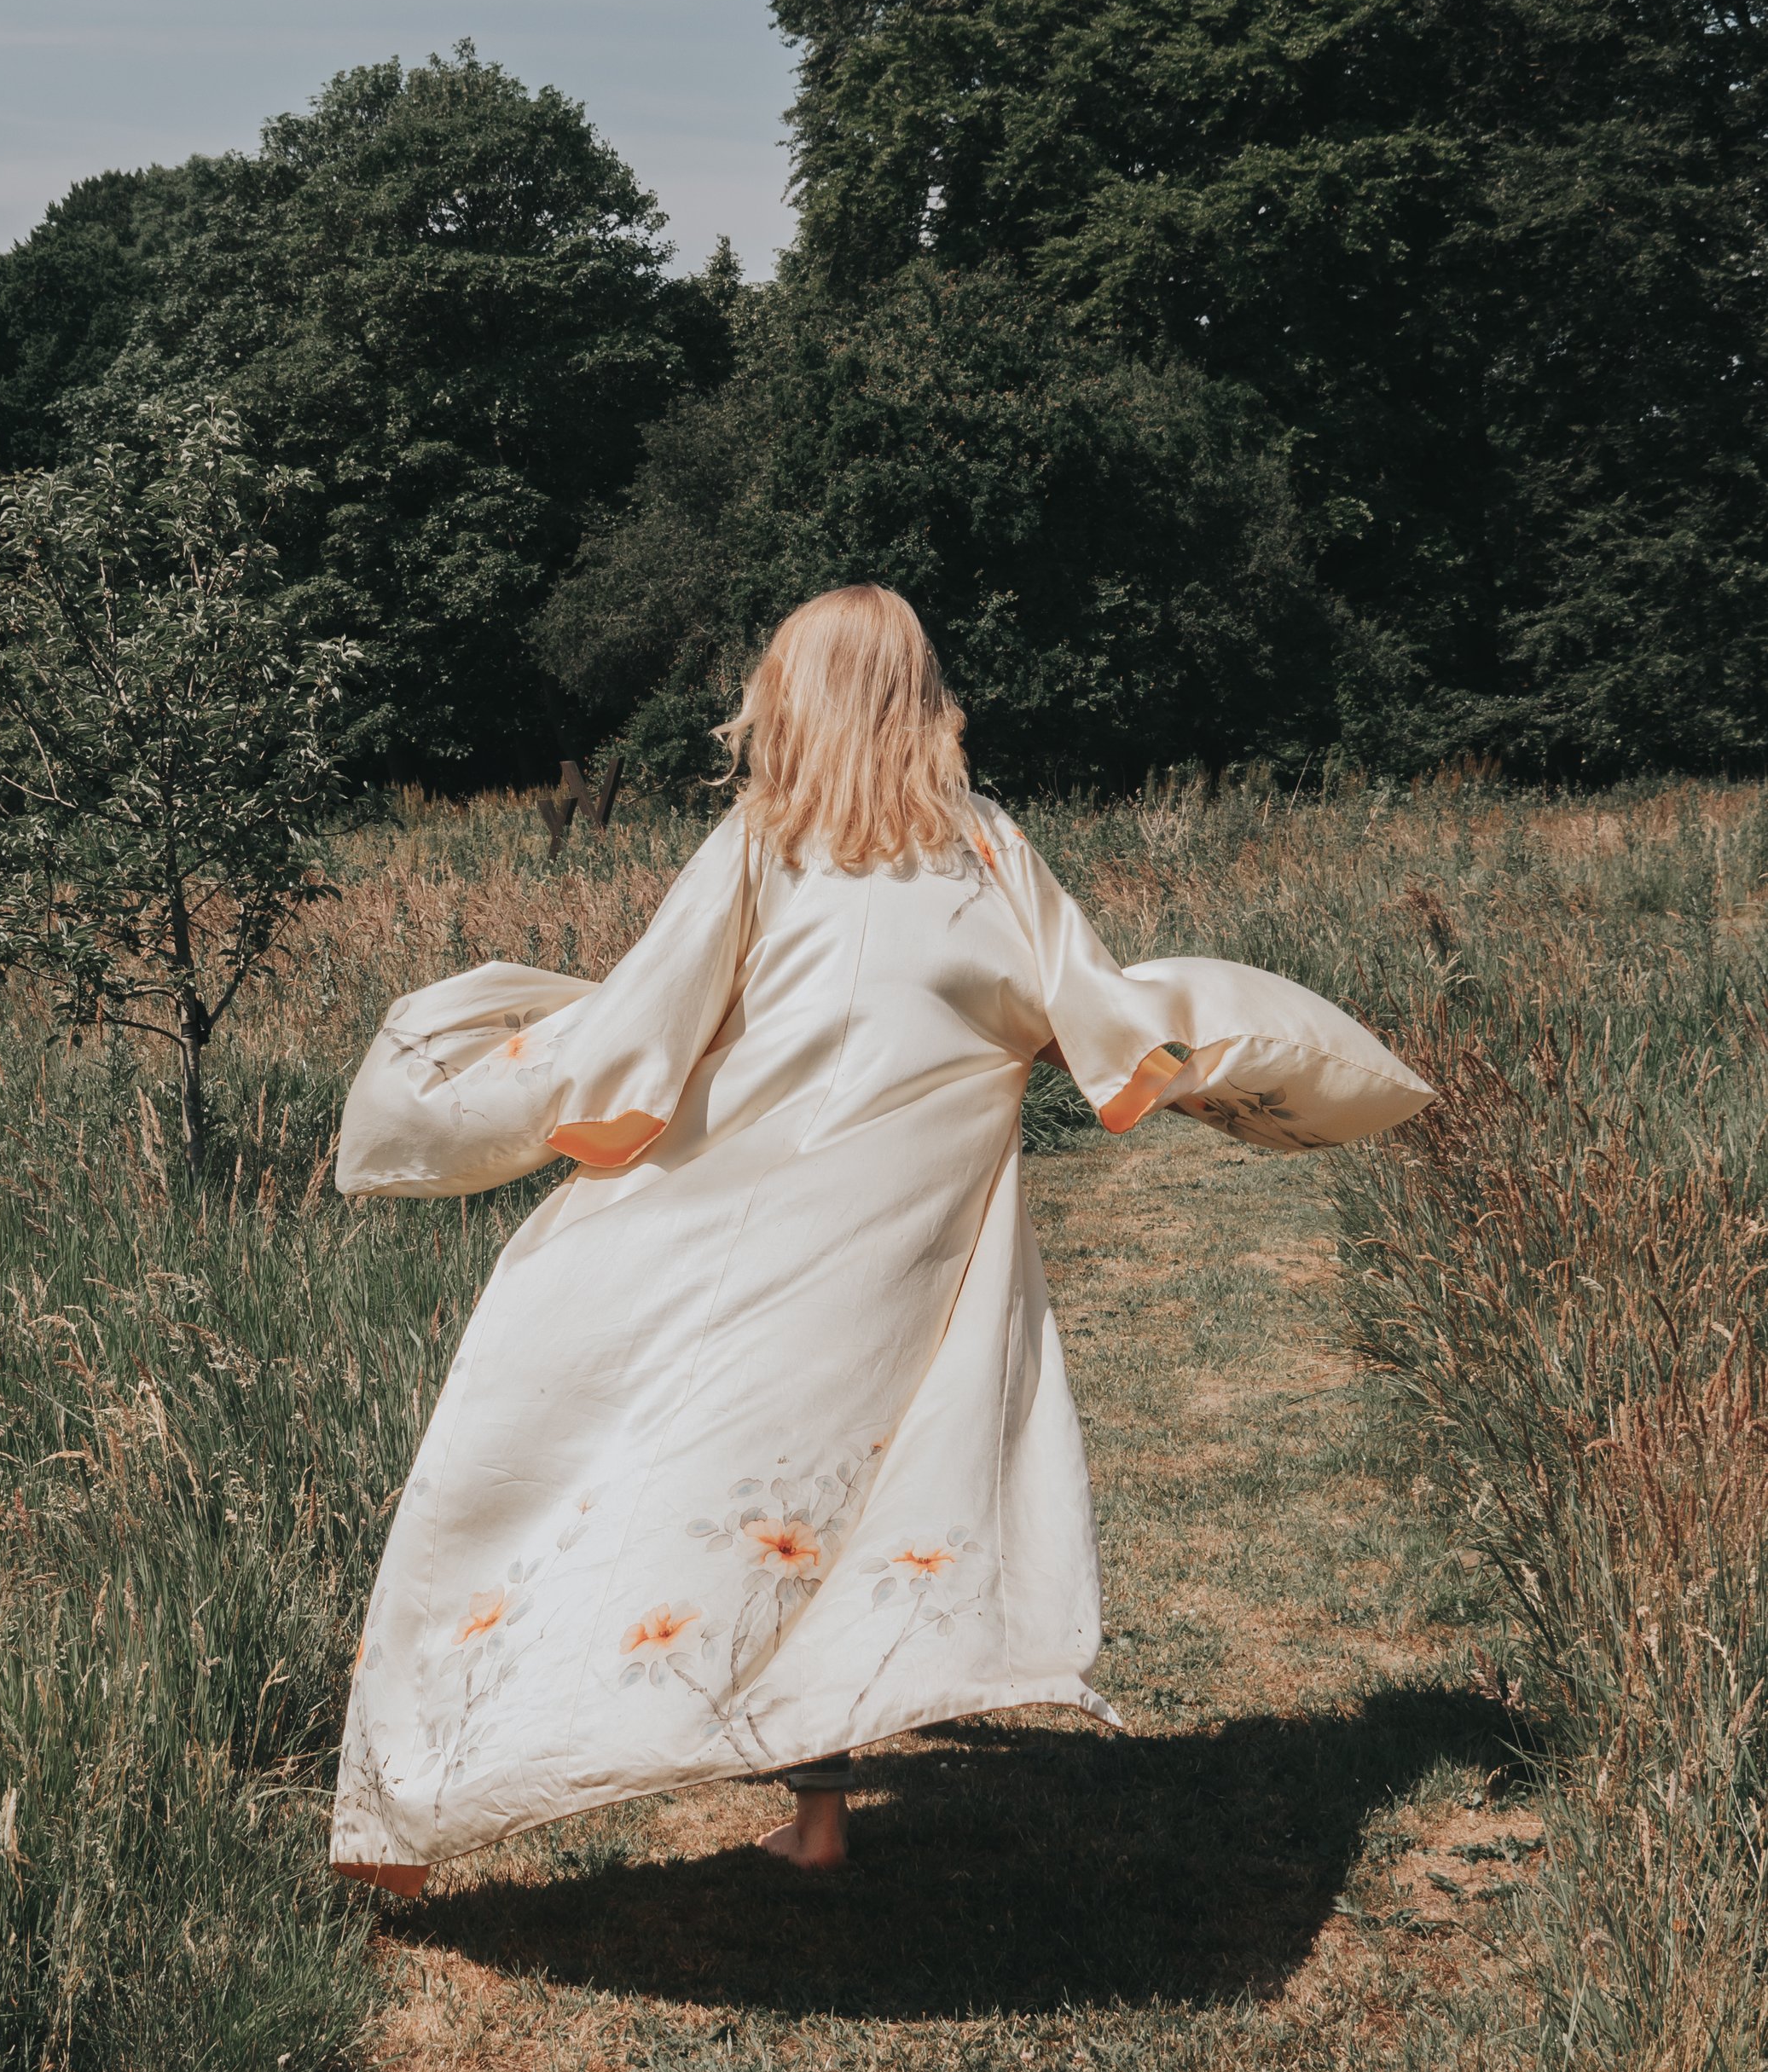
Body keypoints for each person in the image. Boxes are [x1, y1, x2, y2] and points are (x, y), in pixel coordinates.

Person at [328, 587, 1431, 1895]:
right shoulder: (987, 853)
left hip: (737, 1230)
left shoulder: (759, 844)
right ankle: (816, 1820)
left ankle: (436, 1791)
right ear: (922, 702)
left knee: (594, 1457)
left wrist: (483, 1095)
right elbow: (1100, 1018)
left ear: (786, 703)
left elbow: (639, 1031)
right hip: (898, 1259)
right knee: (835, 1506)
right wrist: (1224, 1063)